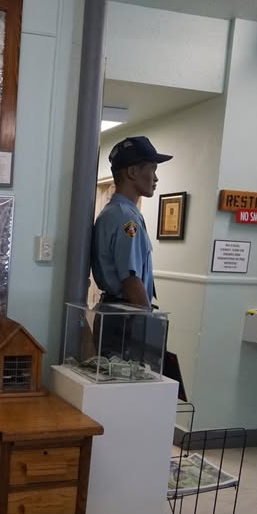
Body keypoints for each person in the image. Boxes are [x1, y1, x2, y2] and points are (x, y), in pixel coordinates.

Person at [89, 136, 171, 362]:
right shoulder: (126, 218)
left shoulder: (115, 212)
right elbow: (131, 280)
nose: (155, 178)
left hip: (116, 314)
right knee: (126, 388)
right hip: (126, 316)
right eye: (152, 169)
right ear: (133, 172)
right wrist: (148, 326)